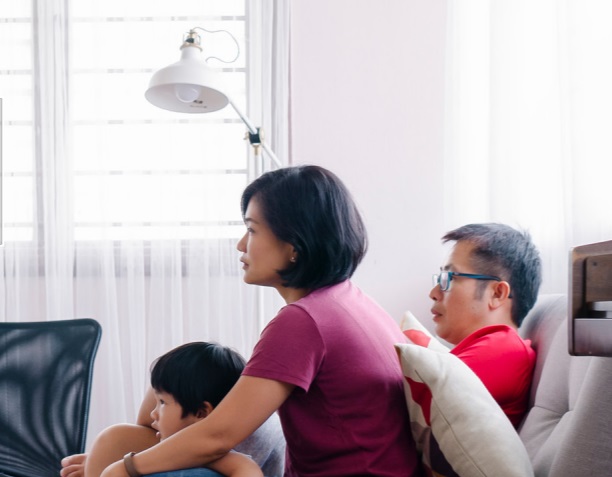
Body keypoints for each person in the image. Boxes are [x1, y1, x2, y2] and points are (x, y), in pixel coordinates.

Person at [97, 165, 420, 477]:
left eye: (252, 230)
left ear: (294, 245)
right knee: (124, 441)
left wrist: (123, 467)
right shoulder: (351, 302)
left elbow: (217, 436)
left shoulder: (304, 321)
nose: (241, 244)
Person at [61, 344, 285, 477]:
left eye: (162, 403)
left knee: (116, 439)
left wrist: (120, 464)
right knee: (115, 438)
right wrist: (102, 459)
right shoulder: (215, 411)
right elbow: (144, 422)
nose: (153, 413)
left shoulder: (223, 445)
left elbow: (246, 469)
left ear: (201, 413)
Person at [430, 223, 542, 427]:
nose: (434, 293)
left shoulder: (505, 349)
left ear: (497, 294)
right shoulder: (490, 347)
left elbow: (413, 399)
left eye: (449, 278)